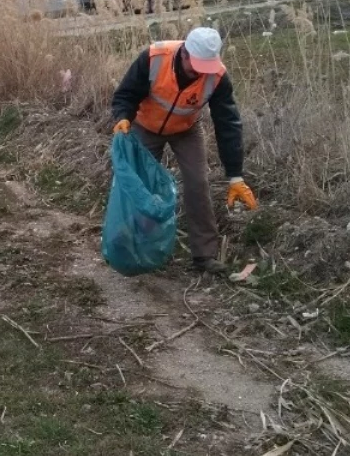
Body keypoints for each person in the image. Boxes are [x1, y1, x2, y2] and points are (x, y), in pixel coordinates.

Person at [110, 26, 256, 274]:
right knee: (142, 188)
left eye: (206, 67)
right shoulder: (154, 58)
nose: (200, 73)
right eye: (196, 66)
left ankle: (205, 255)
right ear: (185, 53)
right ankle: (131, 244)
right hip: (145, 126)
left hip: (187, 130)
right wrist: (123, 117)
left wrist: (235, 175)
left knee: (198, 183)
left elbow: (228, 125)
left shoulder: (218, 76)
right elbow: (126, 94)